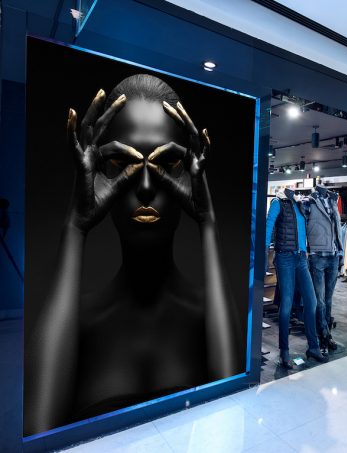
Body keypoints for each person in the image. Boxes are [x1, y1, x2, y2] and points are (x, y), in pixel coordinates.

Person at [24, 74, 243, 435]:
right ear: (97, 170)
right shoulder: (80, 324)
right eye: (121, 161)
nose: (144, 186)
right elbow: (37, 432)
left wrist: (208, 221)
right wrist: (76, 224)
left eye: (166, 163)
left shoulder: (205, 316)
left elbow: (230, 419)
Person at [266, 189, 328, 369]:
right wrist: (263, 255)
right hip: (285, 257)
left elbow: (303, 231)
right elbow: (268, 227)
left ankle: (313, 347)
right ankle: (284, 352)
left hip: (301, 258)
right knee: (286, 303)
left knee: (312, 301)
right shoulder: (277, 202)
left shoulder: (299, 204)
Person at [302, 186, 343, 352]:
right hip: (317, 255)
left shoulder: (333, 200)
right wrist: (306, 250)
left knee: (328, 300)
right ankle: (323, 336)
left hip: (333, 255)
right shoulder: (308, 202)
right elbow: (303, 227)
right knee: (319, 301)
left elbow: (337, 229)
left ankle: (327, 334)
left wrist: (341, 252)